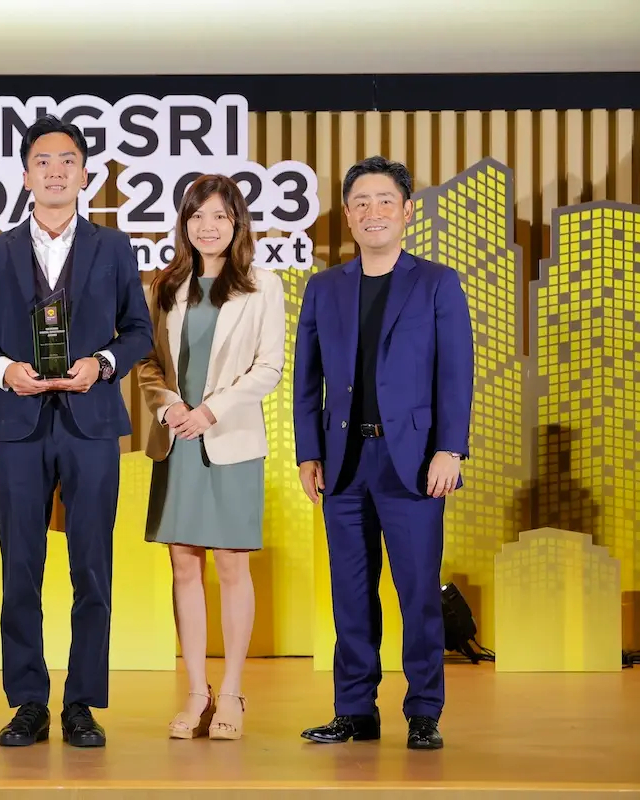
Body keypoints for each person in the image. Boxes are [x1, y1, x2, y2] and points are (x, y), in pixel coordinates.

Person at [0, 115, 153, 748]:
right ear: (25, 176)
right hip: (18, 426)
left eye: (67, 160)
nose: (55, 171)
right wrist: (3, 371)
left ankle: (81, 703)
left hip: (91, 423)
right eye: (42, 161)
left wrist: (103, 364)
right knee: (21, 566)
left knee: (92, 566)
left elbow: (139, 330)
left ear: (85, 175)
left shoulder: (114, 247)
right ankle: (28, 702)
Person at [292, 155, 474, 751]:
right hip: (343, 463)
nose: (374, 212)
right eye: (361, 203)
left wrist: (450, 449)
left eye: (385, 201)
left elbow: (456, 373)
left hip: (414, 464)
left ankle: (423, 712)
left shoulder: (437, 282)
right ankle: (354, 711)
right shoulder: (324, 288)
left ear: (407, 211)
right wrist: (308, 452)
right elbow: (306, 379)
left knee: (418, 593)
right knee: (350, 594)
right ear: (348, 215)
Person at [138, 174, 285, 741]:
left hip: (231, 440)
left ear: (237, 222)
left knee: (230, 565)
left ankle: (231, 692)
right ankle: (197, 692)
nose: (208, 226)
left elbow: (269, 367)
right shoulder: (165, 284)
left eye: (220, 216)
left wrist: (211, 411)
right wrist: (171, 407)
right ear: (184, 223)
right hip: (177, 440)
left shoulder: (262, 285)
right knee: (183, 565)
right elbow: (148, 362)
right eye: (197, 216)